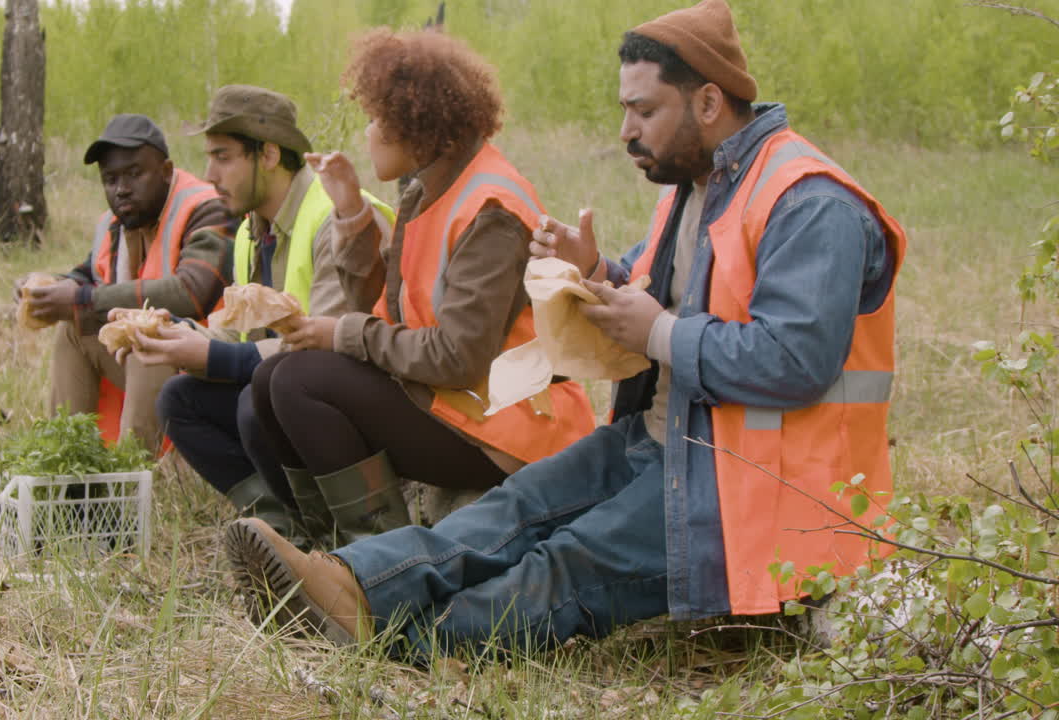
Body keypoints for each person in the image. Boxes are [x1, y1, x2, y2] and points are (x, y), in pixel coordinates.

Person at [224, 0, 908, 662]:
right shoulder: (696, 190)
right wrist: (598, 274)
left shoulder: (808, 202)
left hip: (754, 487)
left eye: (644, 110)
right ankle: (348, 582)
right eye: (624, 110)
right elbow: (655, 301)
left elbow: (794, 361)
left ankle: (393, 637)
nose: (626, 130)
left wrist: (658, 332)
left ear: (707, 102)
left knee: (570, 560)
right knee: (520, 508)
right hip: (667, 440)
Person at [232, 28, 596, 552]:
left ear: (417, 123)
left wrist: (344, 334)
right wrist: (353, 217)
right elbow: (392, 314)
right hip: (459, 402)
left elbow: (457, 359)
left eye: (378, 119)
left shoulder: (490, 208)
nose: (368, 133)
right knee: (268, 381)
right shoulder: (431, 188)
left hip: (510, 427)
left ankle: (385, 567)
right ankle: (328, 549)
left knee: (296, 381)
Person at [125, 85, 393, 542]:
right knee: (179, 400)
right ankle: (283, 531)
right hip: (294, 388)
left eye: (223, 156)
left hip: (363, 397)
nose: (209, 174)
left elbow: (324, 353)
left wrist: (211, 358)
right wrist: (179, 335)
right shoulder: (252, 229)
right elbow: (242, 336)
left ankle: (345, 537)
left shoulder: (330, 217)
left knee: (257, 403)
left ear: (268, 155)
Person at [20, 114, 233, 456]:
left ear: (166, 170)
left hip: (216, 365)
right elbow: (89, 275)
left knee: (148, 339)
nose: (121, 188)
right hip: (162, 367)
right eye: (110, 179)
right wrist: (46, 289)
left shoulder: (207, 207)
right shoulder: (119, 221)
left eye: (135, 174)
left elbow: (192, 292)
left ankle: (130, 481)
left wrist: (80, 299)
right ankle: (65, 465)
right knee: (75, 329)